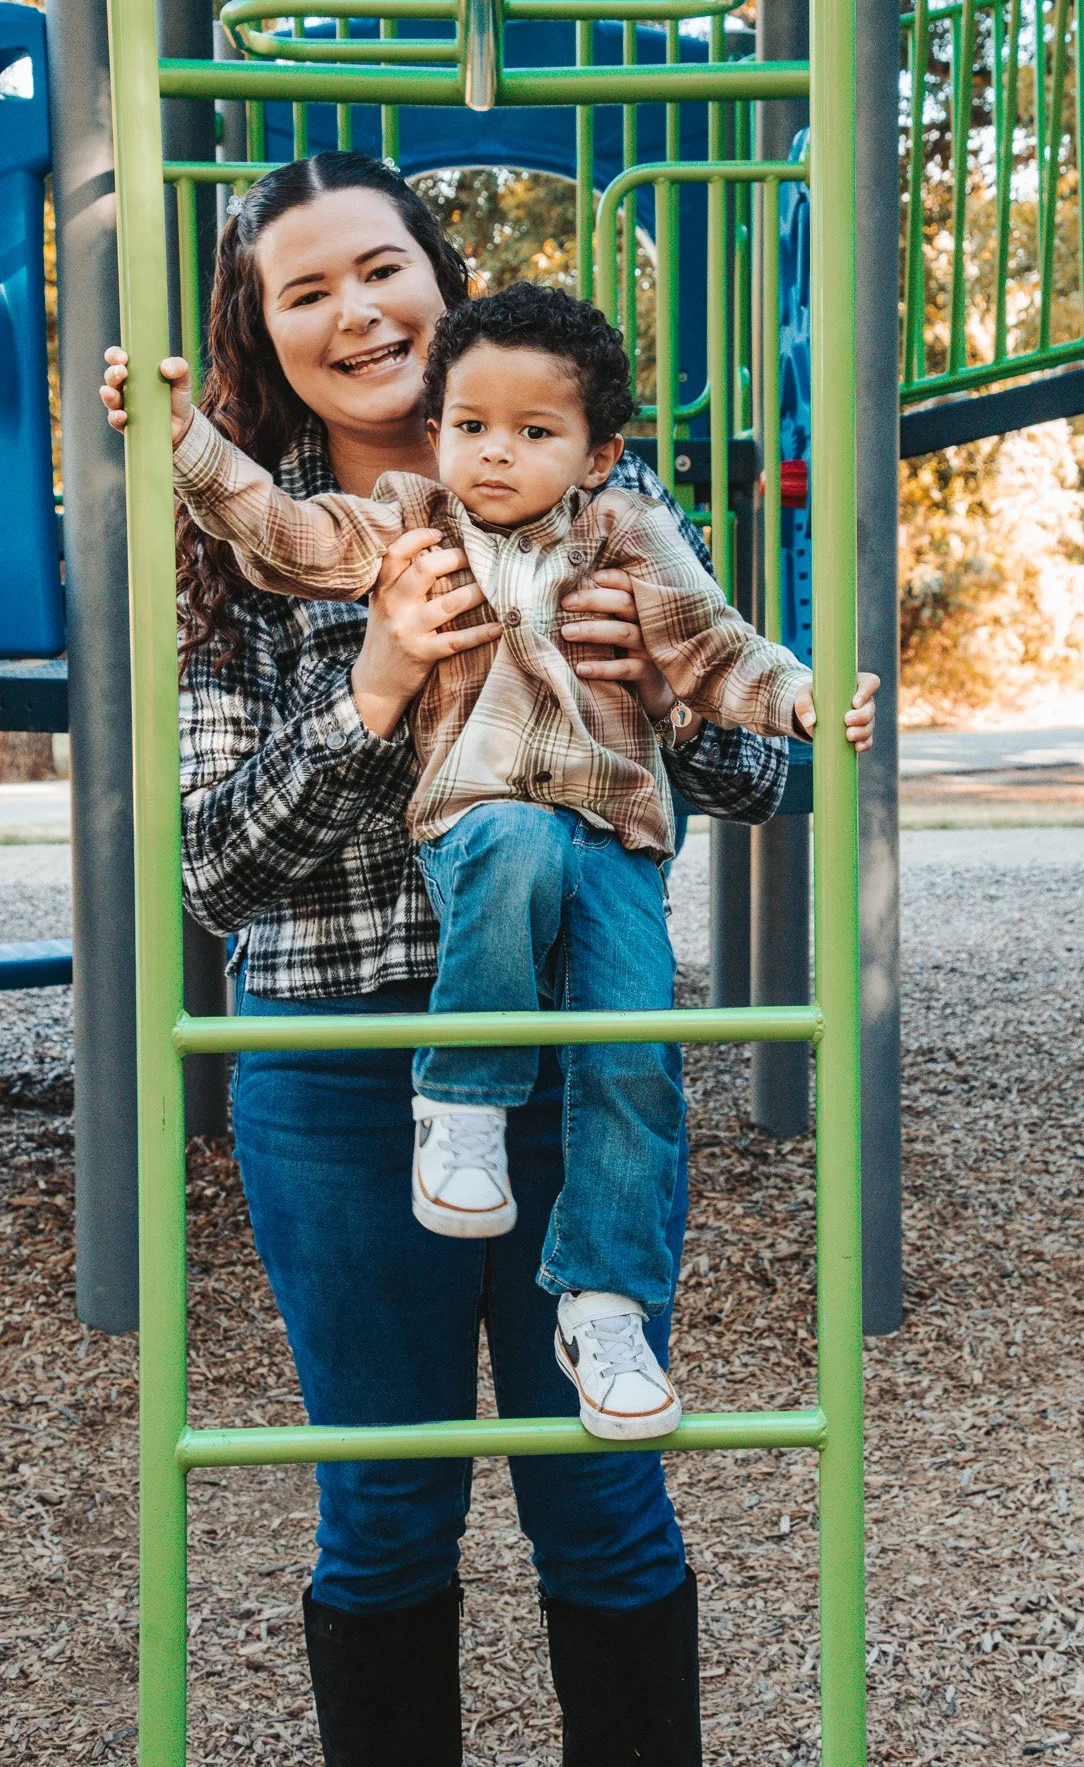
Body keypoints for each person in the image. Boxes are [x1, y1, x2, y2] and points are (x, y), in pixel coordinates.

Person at [100, 151, 808, 1764]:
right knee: (386, 1508)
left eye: (381, 268)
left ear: (441, 269)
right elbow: (214, 872)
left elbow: (784, 773)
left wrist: (672, 705)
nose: (355, 312)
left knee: (603, 1494)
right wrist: (369, 688)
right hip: (342, 1084)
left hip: (573, 1054)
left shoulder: (598, 494)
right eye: (306, 290)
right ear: (261, 330)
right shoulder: (240, 549)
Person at [130, 279, 877, 1444]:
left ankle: (606, 1299)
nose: (495, 453)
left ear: (594, 453)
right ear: (439, 429)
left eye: (533, 433)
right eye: (473, 427)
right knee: (515, 842)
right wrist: (186, 443)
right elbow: (280, 532)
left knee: (636, 1053)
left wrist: (789, 697)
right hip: (456, 852)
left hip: (615, 834)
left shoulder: (629, 525)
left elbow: (720, 650)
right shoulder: (405, 521)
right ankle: (462, 1100)